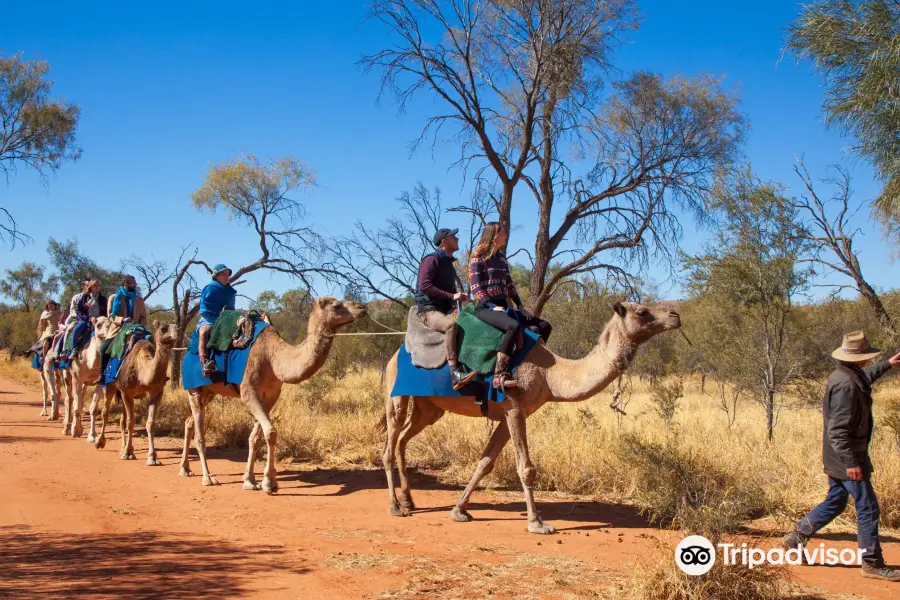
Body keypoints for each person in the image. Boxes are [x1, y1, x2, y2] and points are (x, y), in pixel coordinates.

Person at [782, 331, 900, 582]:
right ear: (859, 358)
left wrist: (887, 365)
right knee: (868, 507)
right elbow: (838, 430)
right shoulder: (847, 384)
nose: (869, 360)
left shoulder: (848, 374)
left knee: (836, 501)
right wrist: (851, 463)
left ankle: (797, 536)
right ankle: (872, 562)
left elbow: (865, 378)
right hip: (846, 456)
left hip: (838, 455)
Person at [468, 222, 551, 390]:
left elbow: (509, 284)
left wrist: (520, 305)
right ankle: (499, 374)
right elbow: (476, 288)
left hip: (503, 306)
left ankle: (523, 365)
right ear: (494, 235)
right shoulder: (477, 257)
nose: (506, 234)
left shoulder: (501, 258)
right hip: (485, 308)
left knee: (544, 326)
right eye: (503, 231)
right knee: (513, 326)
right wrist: (491, 306)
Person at [414, 227, 477, 390]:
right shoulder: (432, 259)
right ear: (444, 241)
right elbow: (424, 285)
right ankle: (455, 374)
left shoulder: (448, 264)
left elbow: (448, 291)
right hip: (428, 310)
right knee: (451, 326)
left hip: (444, 309)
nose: (457, 239)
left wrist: (460, 296)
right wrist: (452, 296)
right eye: (453, 236)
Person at [95, 275, 147, 384]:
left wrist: (139, 326)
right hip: (118, 328)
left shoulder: (139, 300)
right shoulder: (114, 298)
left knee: (150, 341)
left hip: (135, 328)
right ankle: (102, 375)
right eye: (133, 283)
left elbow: (143, 317)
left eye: (135, 283)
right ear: (126, 284)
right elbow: (110, 315)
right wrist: (122, 320)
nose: (135, 285)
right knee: (104, 347)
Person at [198, 264, 237, 376]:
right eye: (223, 274)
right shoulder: (210, 288)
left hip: (227, 319)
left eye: (228, 274)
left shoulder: (230, 291)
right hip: (210, 319)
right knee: (204, 332)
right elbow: (205, 307)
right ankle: (204, 363)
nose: (227, 277)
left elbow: (231, 308)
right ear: (216, 276)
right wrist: (219, 315)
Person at [67, 280, 107, 360]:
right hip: (85, 319)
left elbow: (105, 311)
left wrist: (99, 319)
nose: (97, 287)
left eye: (98, 285)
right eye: (95, 285)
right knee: (78, 328)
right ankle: (74, 349)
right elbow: (78, 310)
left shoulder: (103, 299)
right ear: (91, 287)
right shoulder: (84, 297)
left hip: (98, 320)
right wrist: (87, 318)